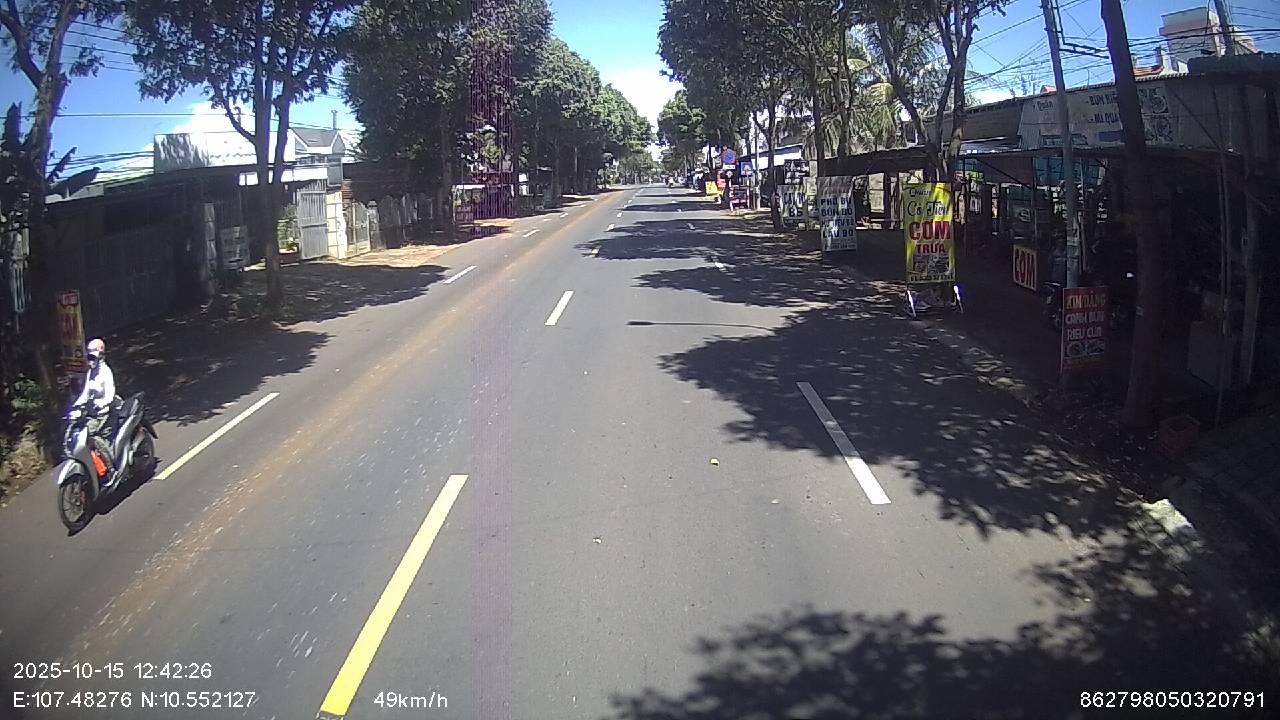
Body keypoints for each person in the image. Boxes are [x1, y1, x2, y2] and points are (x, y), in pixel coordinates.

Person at [75, 338, 117, 474]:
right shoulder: (90, 373)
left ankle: (111, 467)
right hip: (92, 414)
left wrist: (102, 404)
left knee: (92, 435)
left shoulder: (106, 372)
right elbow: (85, 394)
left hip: (105, 413)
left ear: (101, 355)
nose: (91, 360)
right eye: (89, 357)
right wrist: (75, 407)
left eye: (93, 357)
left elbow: (110, 394)